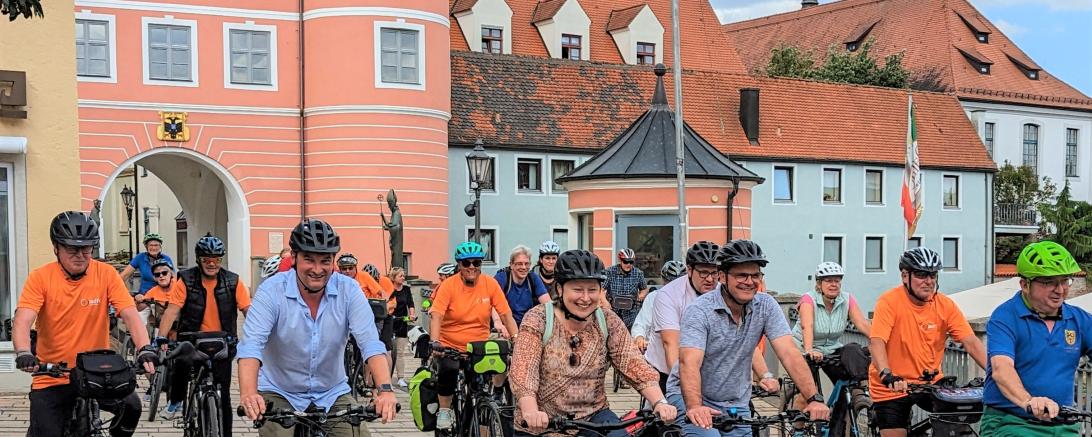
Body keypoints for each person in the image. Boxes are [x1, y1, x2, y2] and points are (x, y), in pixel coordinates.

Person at [238, 218, 398, 436]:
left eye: (325, 261)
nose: (317, 269)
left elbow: (369, 342)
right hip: (280, 391)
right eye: (309, 260)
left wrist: (385, 390)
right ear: (294, 258)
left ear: (334, 261)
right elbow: (251, 346)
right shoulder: (272, 291)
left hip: (331, 392)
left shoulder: (348, 290)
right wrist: (249, 394)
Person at [14, 211, 159, 437]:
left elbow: (129, 314)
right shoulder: (40, 277)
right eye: (72, 249)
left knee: (132, 407)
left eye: (87, 249)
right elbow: (23, 320)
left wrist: (145, 348)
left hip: (97, 372)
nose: (80, 255)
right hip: (52, 374)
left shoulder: (106, 274)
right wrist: (24, 352)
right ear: (56, 248)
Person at [670, 240, 829, 437]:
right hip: (690, 397)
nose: (750, 281)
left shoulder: (766, 306)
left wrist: (813, 398)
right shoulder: (700, 310)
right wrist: (695, 406)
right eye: (741, 275)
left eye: (755, 275)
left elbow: (789, 352)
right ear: (722, 276)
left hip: (736, 401)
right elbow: (689, 362)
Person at [512, 250, 677, 437]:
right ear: (559, 289)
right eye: (577, 289)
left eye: (592, 290)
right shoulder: (538, 318)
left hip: (593, 418)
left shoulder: (607, 320)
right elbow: (524, 370)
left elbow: (632, 362)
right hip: (543, 421)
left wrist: (659, 403)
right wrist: (531, 411)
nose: (585, 298)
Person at [868, 247, 987, 437]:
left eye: (933, 275)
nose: (929, 281)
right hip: (892, 385)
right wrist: (886, 374)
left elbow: (971, 341)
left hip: (930, 383)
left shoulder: (945, 305)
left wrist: (995, 373)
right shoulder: (889, 302)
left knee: (956, 425)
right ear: (905, 276)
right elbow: (877, 341)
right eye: (922, 275)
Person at [981, 241, 1091, 435]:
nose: (1060, 290)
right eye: (1049, 282)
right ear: (1025, 284)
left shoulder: (1078, 319)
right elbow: (1001, 368)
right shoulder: (1005, 317)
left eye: (1065, 280)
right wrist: (1028, 401)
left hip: (1065, 424)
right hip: (1011, 422)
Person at [155, 233, 251, 435]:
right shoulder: (186, 280)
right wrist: (161, 337)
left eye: (216, 260)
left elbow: (248, 311)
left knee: (224, 394)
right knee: (180, 368)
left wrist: (256, 336)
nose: (211, 264)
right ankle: (177, 402)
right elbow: (172, 310)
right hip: (192, 340)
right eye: (207, 260)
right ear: (199, 260)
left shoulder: (233, 281)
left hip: (223, 341)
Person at [429, 241, 520, 430]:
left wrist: (516, 339)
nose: (471, 267)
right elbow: (437, 315)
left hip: (478, 345)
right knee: (449, 369)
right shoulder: (449, 286)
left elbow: (506, 314)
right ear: (459, 265)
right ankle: (445, 410)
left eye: (476, 263)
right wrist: (435, 342)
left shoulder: (490, 284)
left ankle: (479, 423)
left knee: (479, 388)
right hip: (449, 344)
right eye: (466, 263)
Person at [646, 243, 722, 394]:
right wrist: (682, 384)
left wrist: (764, 376)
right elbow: (670, 343)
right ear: (689, 270)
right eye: (703, 273)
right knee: (667, 413)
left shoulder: (723, 292)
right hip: (667, 369)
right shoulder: (668, 294)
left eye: (715, 273)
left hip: (705, 370)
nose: (709, 279)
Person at [631, 260, 685, 358]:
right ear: (663, 280)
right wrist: (639, 337)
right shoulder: (653, 298)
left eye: (679, 283)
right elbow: (641, 323)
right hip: (655, 355)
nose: (675, 287)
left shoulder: (691, 300)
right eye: (671, 283)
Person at [120, 232, 174, 326]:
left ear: (160, 246)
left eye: (156, 245)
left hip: (162, 297)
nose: (154, 248)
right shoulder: (140, 258)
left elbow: (173, 279)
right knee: (138, 323)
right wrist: (123, 294)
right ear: (146, 246)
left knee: (164, 325)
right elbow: (124, 276)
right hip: (144, 297)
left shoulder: (166, 259)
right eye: (151, 245)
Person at [494, 245, 551, 329]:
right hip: (505, 325)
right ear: (511, 265)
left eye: (527, 264)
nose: (524, 267)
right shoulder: (502, 278)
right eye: (519, 264)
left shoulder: (533, 278)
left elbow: (547, 304)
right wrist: (498, 323)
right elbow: (493, 304)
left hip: (526, 326)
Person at [603, 248, 648, 330]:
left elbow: (644, 289)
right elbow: (600, 290)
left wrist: (641, 296)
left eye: (631, 262)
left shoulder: (638, 273)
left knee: (630, 339)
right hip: (613, 311)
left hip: (631, 313)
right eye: (626, 262)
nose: (628, 264)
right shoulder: (610, 272)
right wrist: (604, 302)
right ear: (620, 261)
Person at [389, 266, 416, 388]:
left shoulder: (406, 289)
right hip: (389, 323)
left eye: (404, 275)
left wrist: (412, 314)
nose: (403, 277)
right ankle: (386, 378)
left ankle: (400, 377)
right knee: (388, 353)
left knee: (400, 352)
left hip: (402, 323)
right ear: (394, 278)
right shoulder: (389, 289)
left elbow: (410, 303)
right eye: (401, 276)